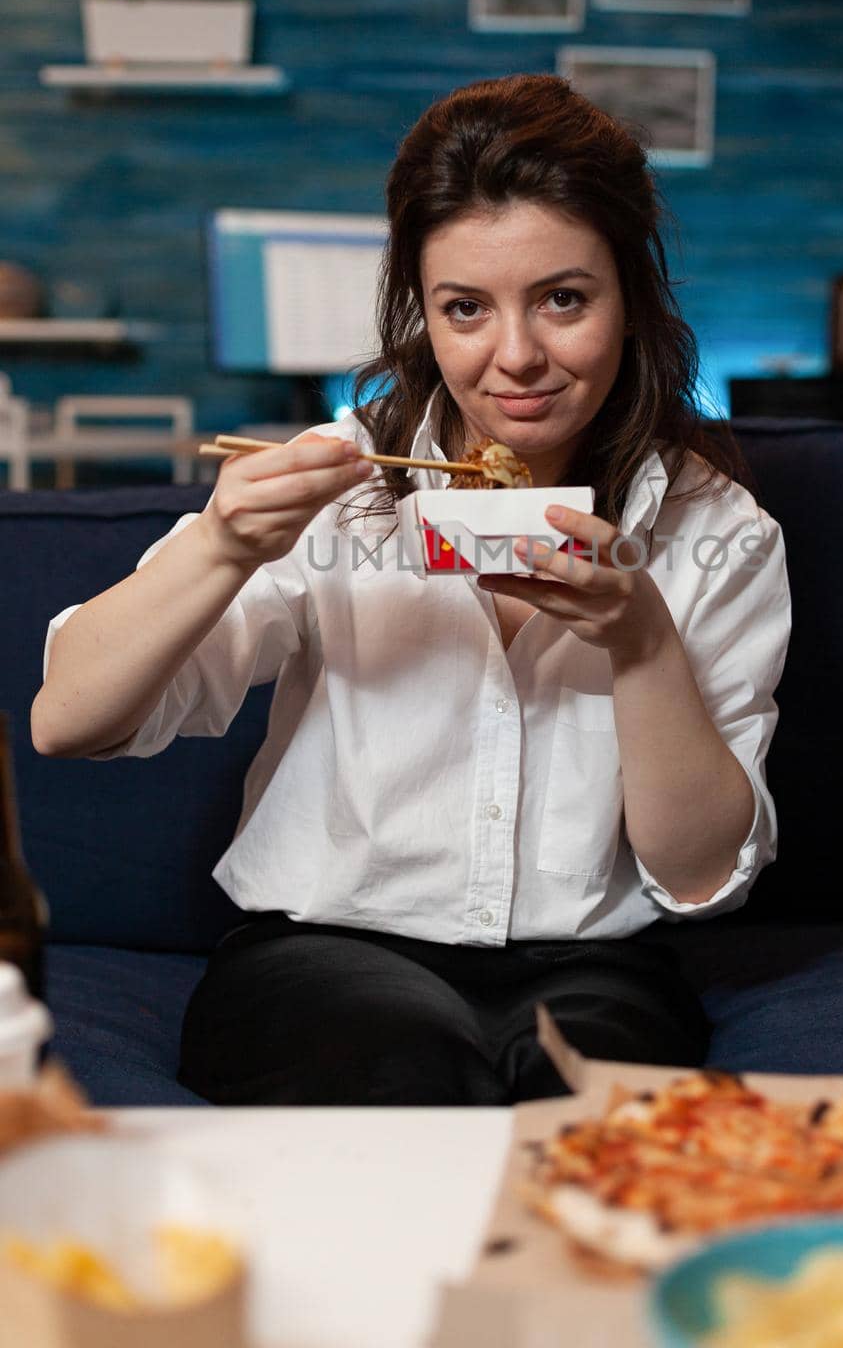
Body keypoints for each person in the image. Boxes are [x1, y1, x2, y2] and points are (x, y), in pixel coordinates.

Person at [31, 73, 791, 1107]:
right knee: (400, 1070)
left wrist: (641, 644)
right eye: (464, 309)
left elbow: (700, 876)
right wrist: (219, 545)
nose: (515, 358)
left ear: (630, 298)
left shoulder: (716, 531)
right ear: (421, 315)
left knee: (604, 1117)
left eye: (562, 299)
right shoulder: (340, 483)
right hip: (321, 949)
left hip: (594, 964)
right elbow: (66, 720)